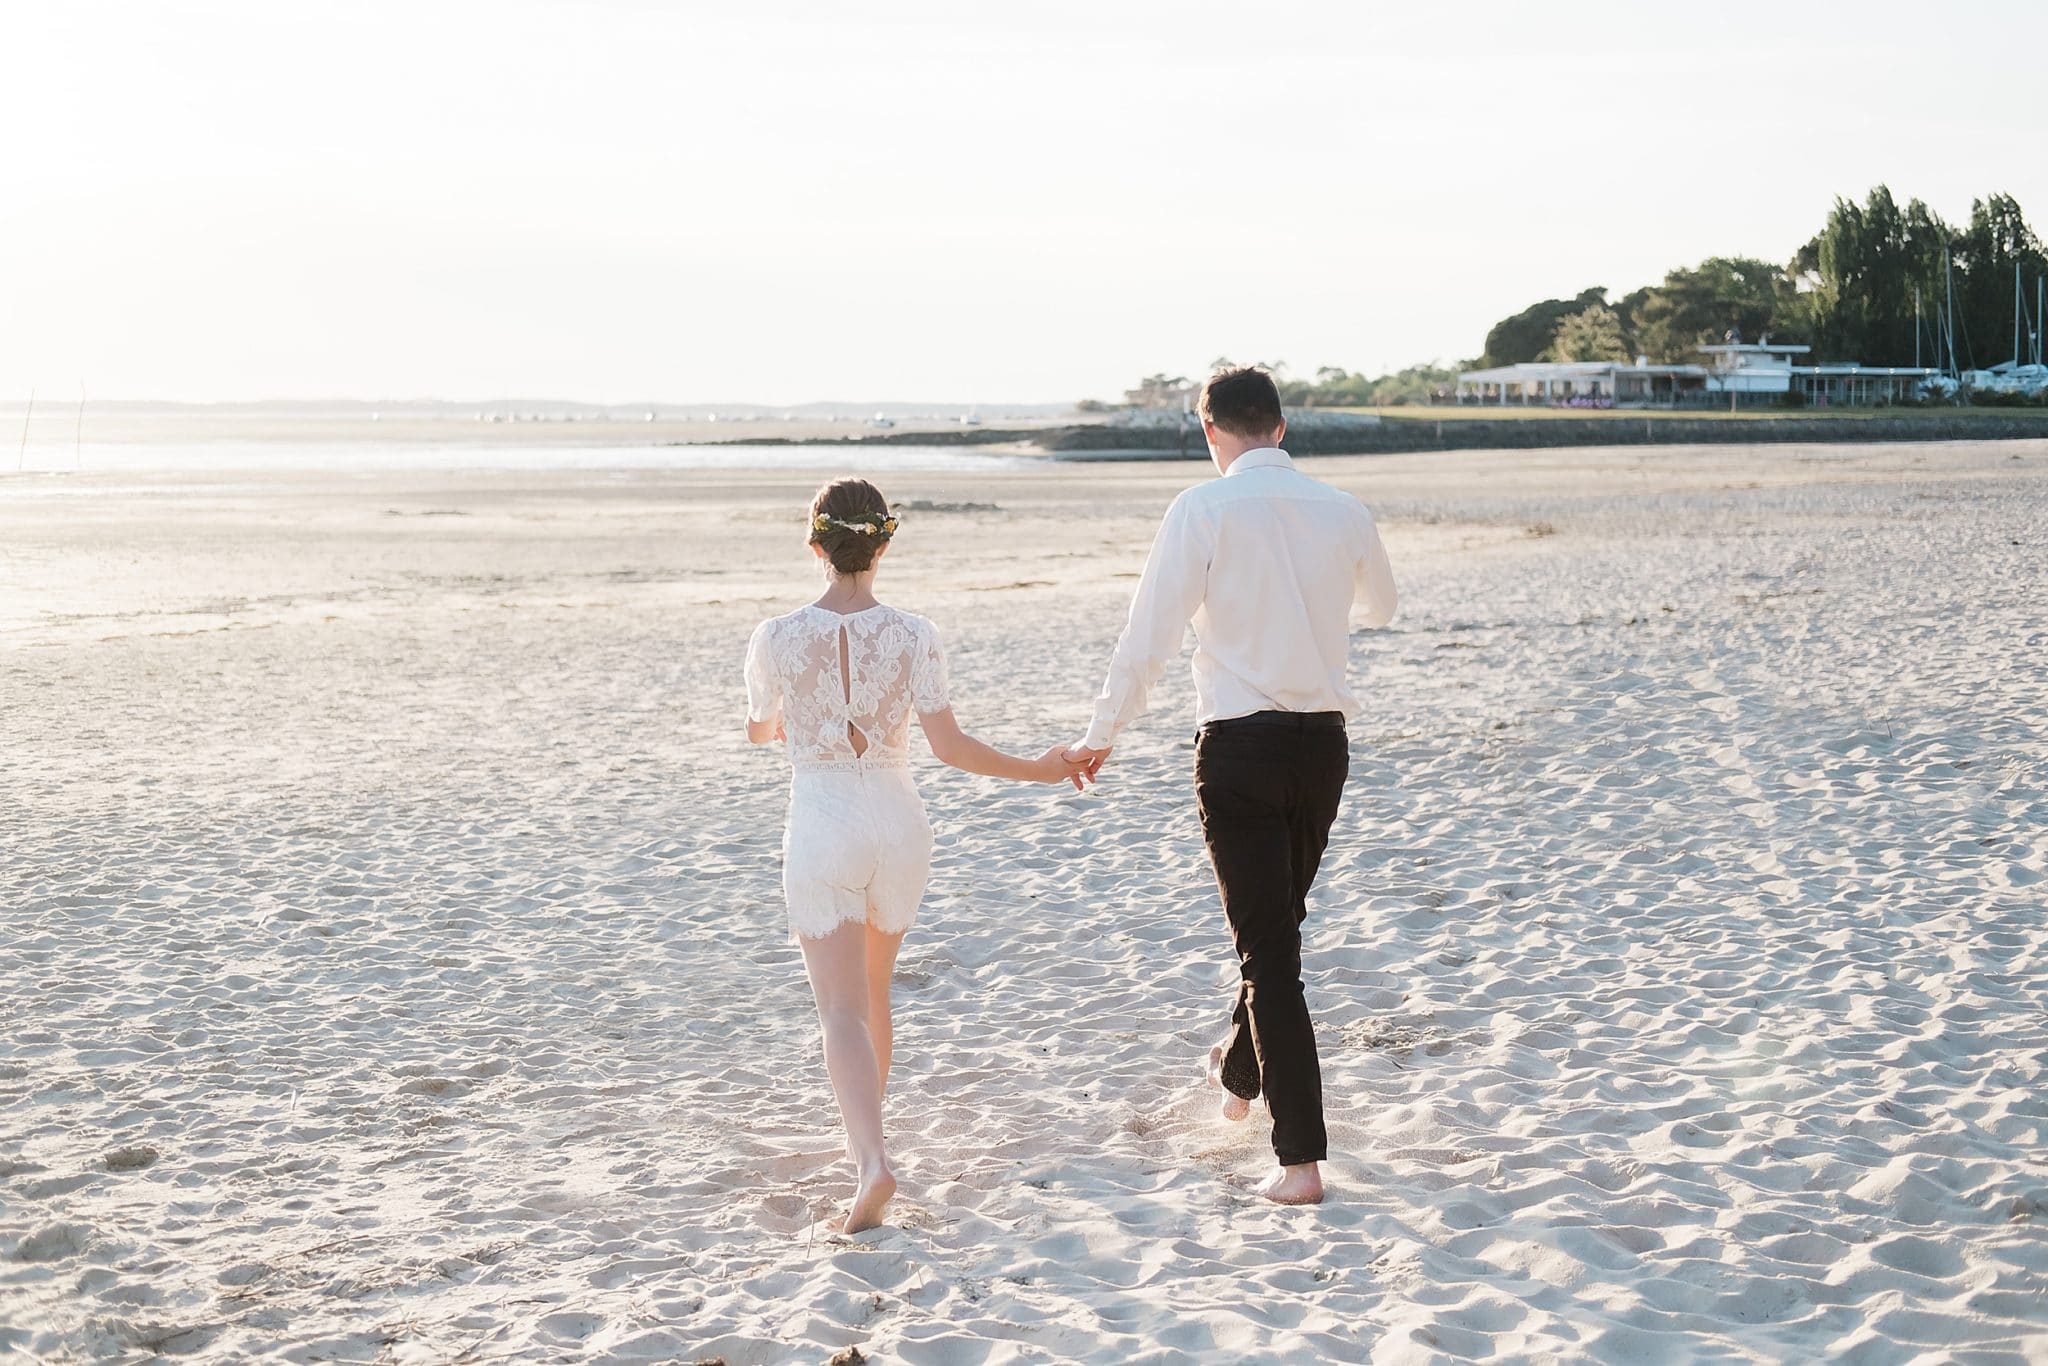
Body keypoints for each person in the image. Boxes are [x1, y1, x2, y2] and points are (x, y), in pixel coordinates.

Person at [1066, 366, 1398, 1205]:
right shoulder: (1343, 507)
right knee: (1277, 935)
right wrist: (1309, 610)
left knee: (1271, 956)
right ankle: (1239, 1070)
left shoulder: (1202, 509)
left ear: (1209, 430)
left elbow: (1149, 640)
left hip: (1240, 750)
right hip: (1322, 748)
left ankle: (1300, 1164)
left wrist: (1100, 736)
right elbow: (1383, 608)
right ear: (1281, 428)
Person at [743, 478, 1089, 1233]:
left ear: (815, 545)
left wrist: (789, 728)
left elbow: (760, 728)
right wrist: (1045, 765)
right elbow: (951, 747)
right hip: (898, 821)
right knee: (874, 992)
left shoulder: (775, 636)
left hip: (824, 816)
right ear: (884, 542)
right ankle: (870, 1138)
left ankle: (870, 1160)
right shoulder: (913, 634)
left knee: (837, 1007)